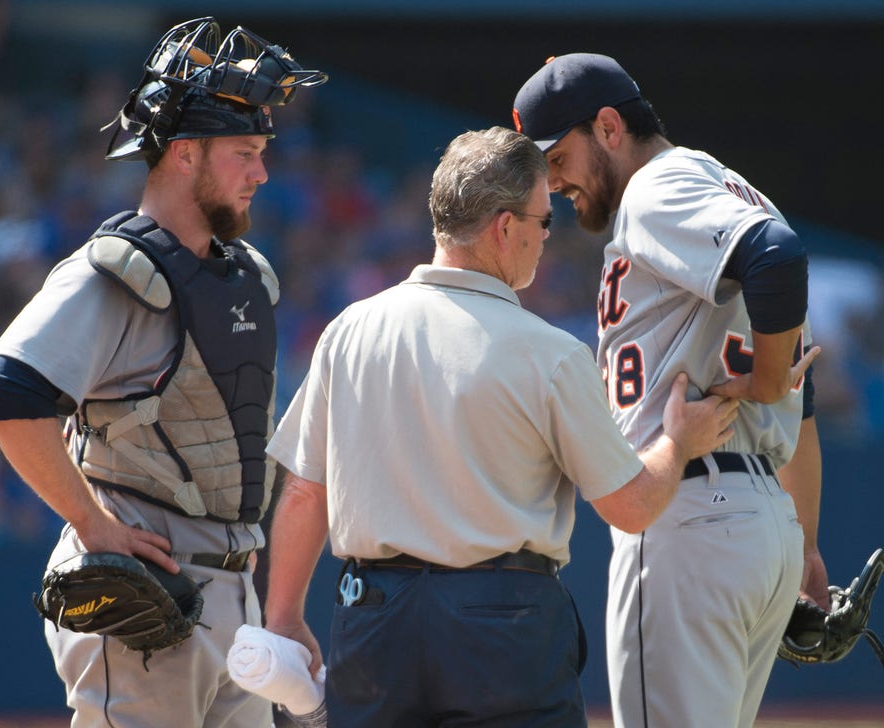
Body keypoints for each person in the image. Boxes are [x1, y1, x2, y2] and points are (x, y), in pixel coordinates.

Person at [262, 126, 752, 727]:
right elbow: (631, 507)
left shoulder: (349, 331)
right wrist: (679, 441)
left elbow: (305, 491)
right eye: (544, 222)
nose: (548, 237)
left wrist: (282, 615)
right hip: (502, 621)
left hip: (372, 616)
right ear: (504, 226)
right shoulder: (549, 353)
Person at [0, 17, 325, 728]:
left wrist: (278, 605)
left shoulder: (246, 277)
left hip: (235, 590)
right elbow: (6, 391)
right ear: (187, 154)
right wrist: (91, 524)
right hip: (144, 591)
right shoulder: (114, 272)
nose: (261, 171)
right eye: (245, 152)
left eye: (262, 152)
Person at [512, 53, 828, 728]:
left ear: (607, 127)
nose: (554, 181)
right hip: (758, 515)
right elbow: (802, 396)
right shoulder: (732, 188)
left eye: (557, 156)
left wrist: (767, 379)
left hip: (690, 519)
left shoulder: (659, 188)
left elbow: (779, 258)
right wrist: (800, 544)